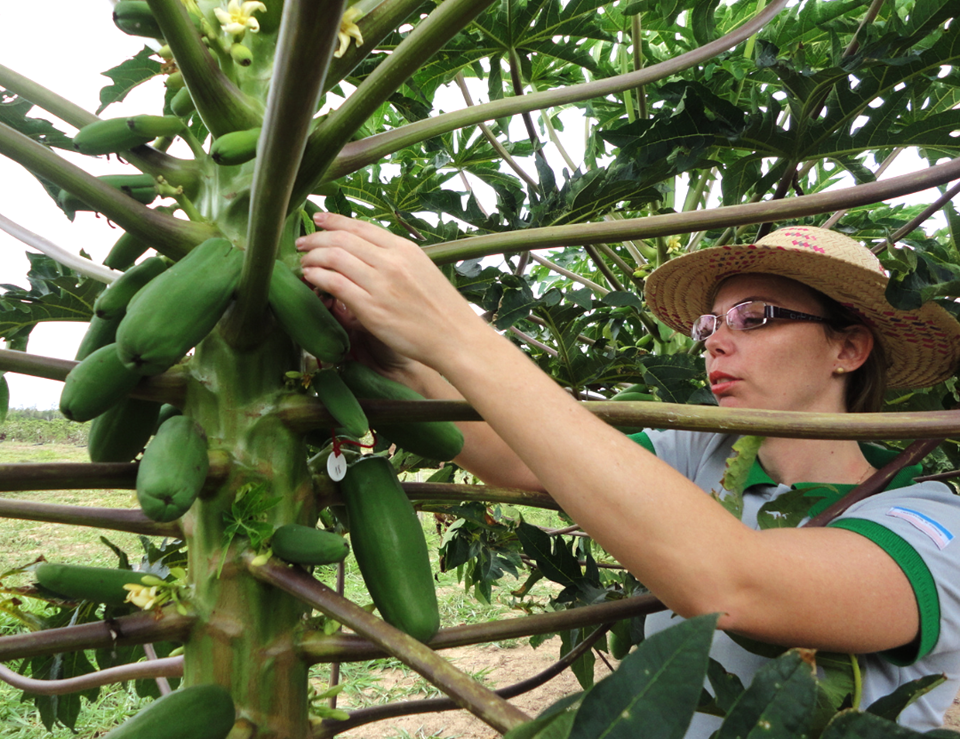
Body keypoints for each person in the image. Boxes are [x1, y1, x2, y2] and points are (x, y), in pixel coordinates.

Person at [297, 217, 960, 733]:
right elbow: (524, 454)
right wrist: (396, 362)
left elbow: (736, 583)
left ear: (848, 348)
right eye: (711, 323)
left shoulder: (933, 526)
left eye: (755, 316)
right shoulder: (698, 451)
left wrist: (454, 332)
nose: (714, 341)